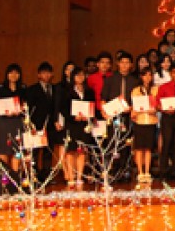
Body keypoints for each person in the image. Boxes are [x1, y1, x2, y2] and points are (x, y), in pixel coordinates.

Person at [100, 52, 139, 182]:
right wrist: (104, 112)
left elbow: (138, 101)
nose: (124, 65)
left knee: (126, 144)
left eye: (127, 63)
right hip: (113, 117)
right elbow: (103, 98)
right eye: (122, 62)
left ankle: (125, 170)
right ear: (118, 64)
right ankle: (112, 171)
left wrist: (132, 109)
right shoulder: (110, 79)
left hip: (127, 117)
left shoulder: (135, 81)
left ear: (131, 65)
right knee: (112, 143)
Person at [61, 67, 95, 187]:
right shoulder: (67, 91)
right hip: (72, 124)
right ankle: (71, 176)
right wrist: (74, 117)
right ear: (72, 77)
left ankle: (80, 176)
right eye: (77, 75)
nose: (80, 78)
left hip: (84, 125)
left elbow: (92, 107)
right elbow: (63, 109)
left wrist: (88, 116)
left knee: (82, 151)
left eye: (82, 75)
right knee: (71, 151)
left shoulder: (89, 91)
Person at [0, 63, 26, 172]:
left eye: (16, 73)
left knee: (17, 150)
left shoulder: (23, 88)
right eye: (11, 72)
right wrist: (3, 109)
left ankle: (15, 176)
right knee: (4, 150)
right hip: (4, 123)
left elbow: (27, 104)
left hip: (18, 122)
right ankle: (4, 177)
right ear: (7, 74)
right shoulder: (0, 87)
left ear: (19, 75)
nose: (13, 75)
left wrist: (21, 108)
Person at [25, 62, 56, 182]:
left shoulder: (54, 88)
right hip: (36, 125)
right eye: (43, 73)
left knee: (49, 151)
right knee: (35, 152)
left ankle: (47, 175)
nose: (46, 75)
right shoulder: (32, 89)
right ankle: (34, 175)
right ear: (38, 75)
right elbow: (29, 109)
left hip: (50, 125)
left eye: (49, 72)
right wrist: (30, 125)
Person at [157, 64, 175, 180]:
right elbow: (158, 104)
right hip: (167, 118)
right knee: (167, 143)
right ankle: (163, 171)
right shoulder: (163, 87)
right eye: (174, 72)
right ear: (170, 73)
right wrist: (165, 109)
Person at [130, 67, 158, 183]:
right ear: (141, 76)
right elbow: (134, 105)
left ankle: (147, 171)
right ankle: (140, 172)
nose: (147, 77)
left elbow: (157, 105)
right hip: (139, 120)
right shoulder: (136, 90)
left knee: (148, 148)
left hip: (151, 120)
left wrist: (154, 109)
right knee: (139, 148)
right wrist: (136, 111)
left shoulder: (155, 90)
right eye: (145, 75)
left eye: (149, 75)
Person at [53, 61, 75, 182]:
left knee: (73, 147)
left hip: (76, 120)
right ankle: (66, 171)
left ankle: (73, 171)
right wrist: (56, 119)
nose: (70, 72)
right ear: (64, 71)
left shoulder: (79, 85)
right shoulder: (59, 86)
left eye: (73, 69)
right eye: (68, 69)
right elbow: (57, 104)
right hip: (63, 118)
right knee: (63, 145)